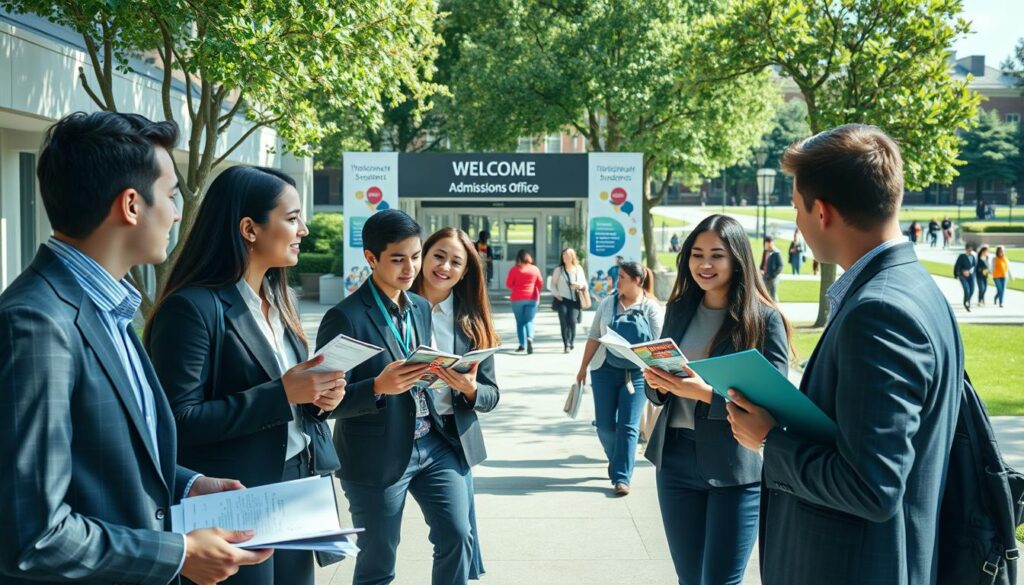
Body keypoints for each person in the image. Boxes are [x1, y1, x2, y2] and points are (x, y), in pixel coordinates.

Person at [0, 111, 270, 585]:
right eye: (170, 196)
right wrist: (177, 554)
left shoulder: (111, 304)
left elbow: (103, 455)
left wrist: (187, 484)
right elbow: (32, 535)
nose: (177, 211)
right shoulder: (36, 323)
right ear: (130, 205)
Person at [727, 124, 962, 585]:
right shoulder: (916, 288)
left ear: (822, 211)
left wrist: (770, 440)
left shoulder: (878, 312)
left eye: (795, 208)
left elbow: (872, 486)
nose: (796, 221)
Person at [145, 166, 346, 585]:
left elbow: (291, 399)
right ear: (249, 229)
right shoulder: (192, 309)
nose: (304, 230)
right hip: (234, 502)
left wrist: (319, 398)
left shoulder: (281, 300)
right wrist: (283, 394)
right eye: (292, 219)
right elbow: (175, 423)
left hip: (295, 492)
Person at [316, 209, 475, 585]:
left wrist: (444, 375)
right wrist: (375, 388)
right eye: (398, 259)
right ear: (371, 258)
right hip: (376, 457)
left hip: (433, 444)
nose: (410, 268)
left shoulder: (418, 305)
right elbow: (321, 402)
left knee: (458, 535)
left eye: (416, 256)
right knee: (378, 563)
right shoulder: (345, 317)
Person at [642, 214, 791, 585]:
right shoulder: (678, 309)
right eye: (696, 254)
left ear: (737, 258)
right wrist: (658, 383)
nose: (704, 264)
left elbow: (773, 404)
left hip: (733, 467)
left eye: (717, 255)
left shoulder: (764, 320)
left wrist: (704, 393)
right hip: (674, 459)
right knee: (689, 579)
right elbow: (658, 393)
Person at [412, 227, 502, 581]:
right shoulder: (396, 306)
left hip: (450, 438)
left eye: (455, 262)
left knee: (458, 534)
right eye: (438, 256)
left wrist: (469, 389)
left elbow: (492, 395)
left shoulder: (473, 321)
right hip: (396, 433)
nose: (444, 267)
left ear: (465, 272)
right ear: (422, 255)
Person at [574, 262, 664, 496]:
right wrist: (583, 367)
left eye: (622, 277)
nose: (617, 281)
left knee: (628, 426)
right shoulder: (607, 303)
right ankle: (617, 460)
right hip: (604, 369)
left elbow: (658, 343)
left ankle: (622, 477)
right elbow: (595, 336)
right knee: (604, 425)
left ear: (637, 280)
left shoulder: (651, 308)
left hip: (637, 373)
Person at [506, 249, 543, 354]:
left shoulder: (514, 270)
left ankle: (522, 345)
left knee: (520, 322)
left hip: (517, 298)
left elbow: (508, 284)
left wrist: (516, 286)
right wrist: (537, 292)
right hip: (532, 298)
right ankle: (530, 337)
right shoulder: (535, 269)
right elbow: (540, 283)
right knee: (529, 320)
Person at [551, 247, 587, 352]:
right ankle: (566, 343)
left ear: (572, 257)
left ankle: (571, 342)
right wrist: (556, 294)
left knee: (572, 321)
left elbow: (584, 283)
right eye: (563, 255)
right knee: (563, 322)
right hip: (562, 299)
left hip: (575, 300)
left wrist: (579, 285)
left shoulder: (578, 268)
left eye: (567, 255)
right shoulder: (559, 270)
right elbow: (552, 284)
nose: (565, 257)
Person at [954, 243, 977, 312]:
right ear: (966, 249)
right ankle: (966, 303)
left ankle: (968, 300)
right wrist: (959, 273)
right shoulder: (962, 256)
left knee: (972, 290)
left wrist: (972, 271)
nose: (970, 251)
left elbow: (974, 266)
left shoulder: (973, 257)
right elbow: (957, 265)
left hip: (971, 276)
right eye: (968, 249)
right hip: (962, 276)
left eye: (971, 249)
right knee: (966, 289)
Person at [759, 236, 783, 301]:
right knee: (764, 293)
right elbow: (763, 262)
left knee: (773, 294)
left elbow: (780, 266)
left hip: (773, 278)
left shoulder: (776, 253)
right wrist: (761, 269)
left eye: (766, 243)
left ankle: (775, 307)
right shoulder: (765, 251)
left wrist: (773, 275)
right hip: (765, 276)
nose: (765, 245)